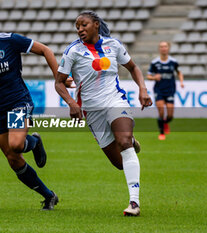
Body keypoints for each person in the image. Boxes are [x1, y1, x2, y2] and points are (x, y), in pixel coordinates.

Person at [55, 11, 152, 216]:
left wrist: (142, 89)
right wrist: (72, 102)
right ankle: (132, 142)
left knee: (123, 142)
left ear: (96, 24)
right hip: (92, 110)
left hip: (115, 100)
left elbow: (133, 67)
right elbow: (59, 82)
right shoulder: (72, 51)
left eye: (84, 25)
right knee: (119, 163)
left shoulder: (113, 45)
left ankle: (134, 203)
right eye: (77, 27)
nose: (80, 29)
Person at [0, 6, 58, 210]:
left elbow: (45, 50)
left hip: (18, 102)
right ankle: (48, 195)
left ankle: (33, 142)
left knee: (16, 144)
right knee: (13, 160)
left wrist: (59, 78)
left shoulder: (9, 40)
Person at [147, 41, 184, 140]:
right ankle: (161, 133)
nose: (163, 48)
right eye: (161, 47)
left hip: (170, 89)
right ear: (159, 49)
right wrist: (154, 78)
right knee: (161, 111)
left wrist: (181, 82)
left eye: (165, 46)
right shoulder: (155, 62)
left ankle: (165, 123)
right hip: (159, 90)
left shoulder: (173, 62)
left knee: (170, 115)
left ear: (168, 48)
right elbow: (148, 76)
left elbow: (179, 72)